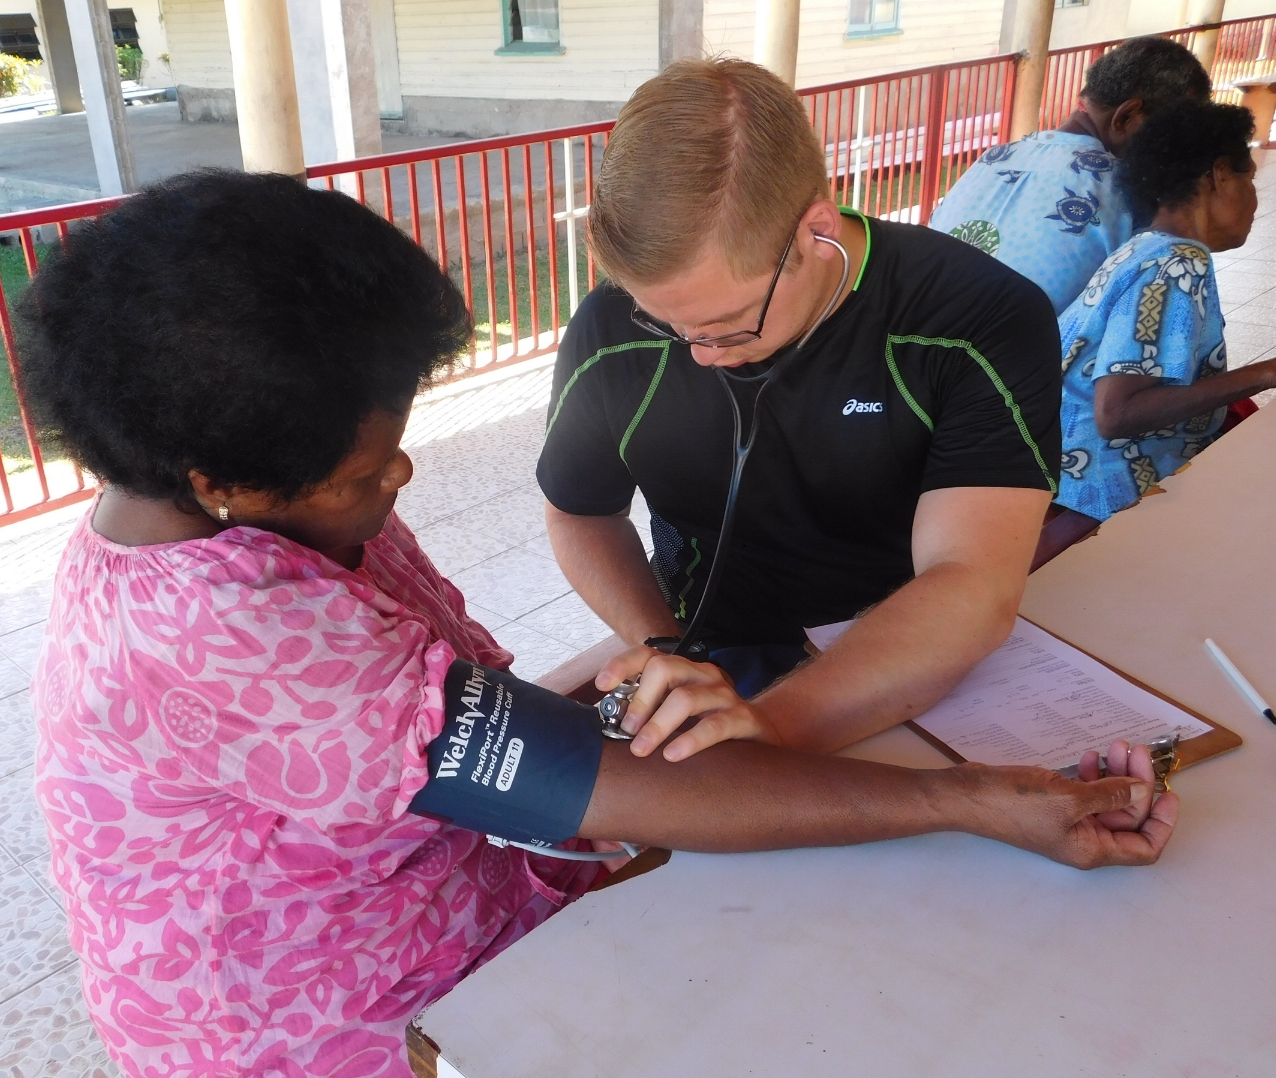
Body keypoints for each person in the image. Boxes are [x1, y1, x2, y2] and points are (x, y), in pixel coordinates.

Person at [19, 170, 1176, 1078]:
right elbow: (616, 795)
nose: (401, 480)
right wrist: (973, 801)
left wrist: (632, 694)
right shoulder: (238, 635)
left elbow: (458, 722)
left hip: (451, 922)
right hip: (345, 1053)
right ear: (225, 485)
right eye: (368, 472)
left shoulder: (232, 507)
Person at [538, 58, 1064, 763]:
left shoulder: (976, 318)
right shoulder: (611, 327)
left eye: (727, 324)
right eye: (663, 321)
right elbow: (580, 510)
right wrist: (661, 647)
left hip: (906, 661)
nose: (697, 353)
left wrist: (774, 727)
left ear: (817, 231)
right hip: (710, 648)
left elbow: (971, 578)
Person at [1056, 101, 1276, 523]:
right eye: (1251, 180)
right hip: (1100, 496)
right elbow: (1117, 413)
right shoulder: (1177, 263)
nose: (1255, 201)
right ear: (1219, 174)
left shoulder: (1143, 248)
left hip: (1065, 476)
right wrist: (1266, 373)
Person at [929, 36, 1210, 313]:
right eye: (1177, 129)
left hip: (918, 344)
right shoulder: (1128, 189)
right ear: (1126, 117)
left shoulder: (994, 157)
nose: (1178, 146)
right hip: (1028, 355)